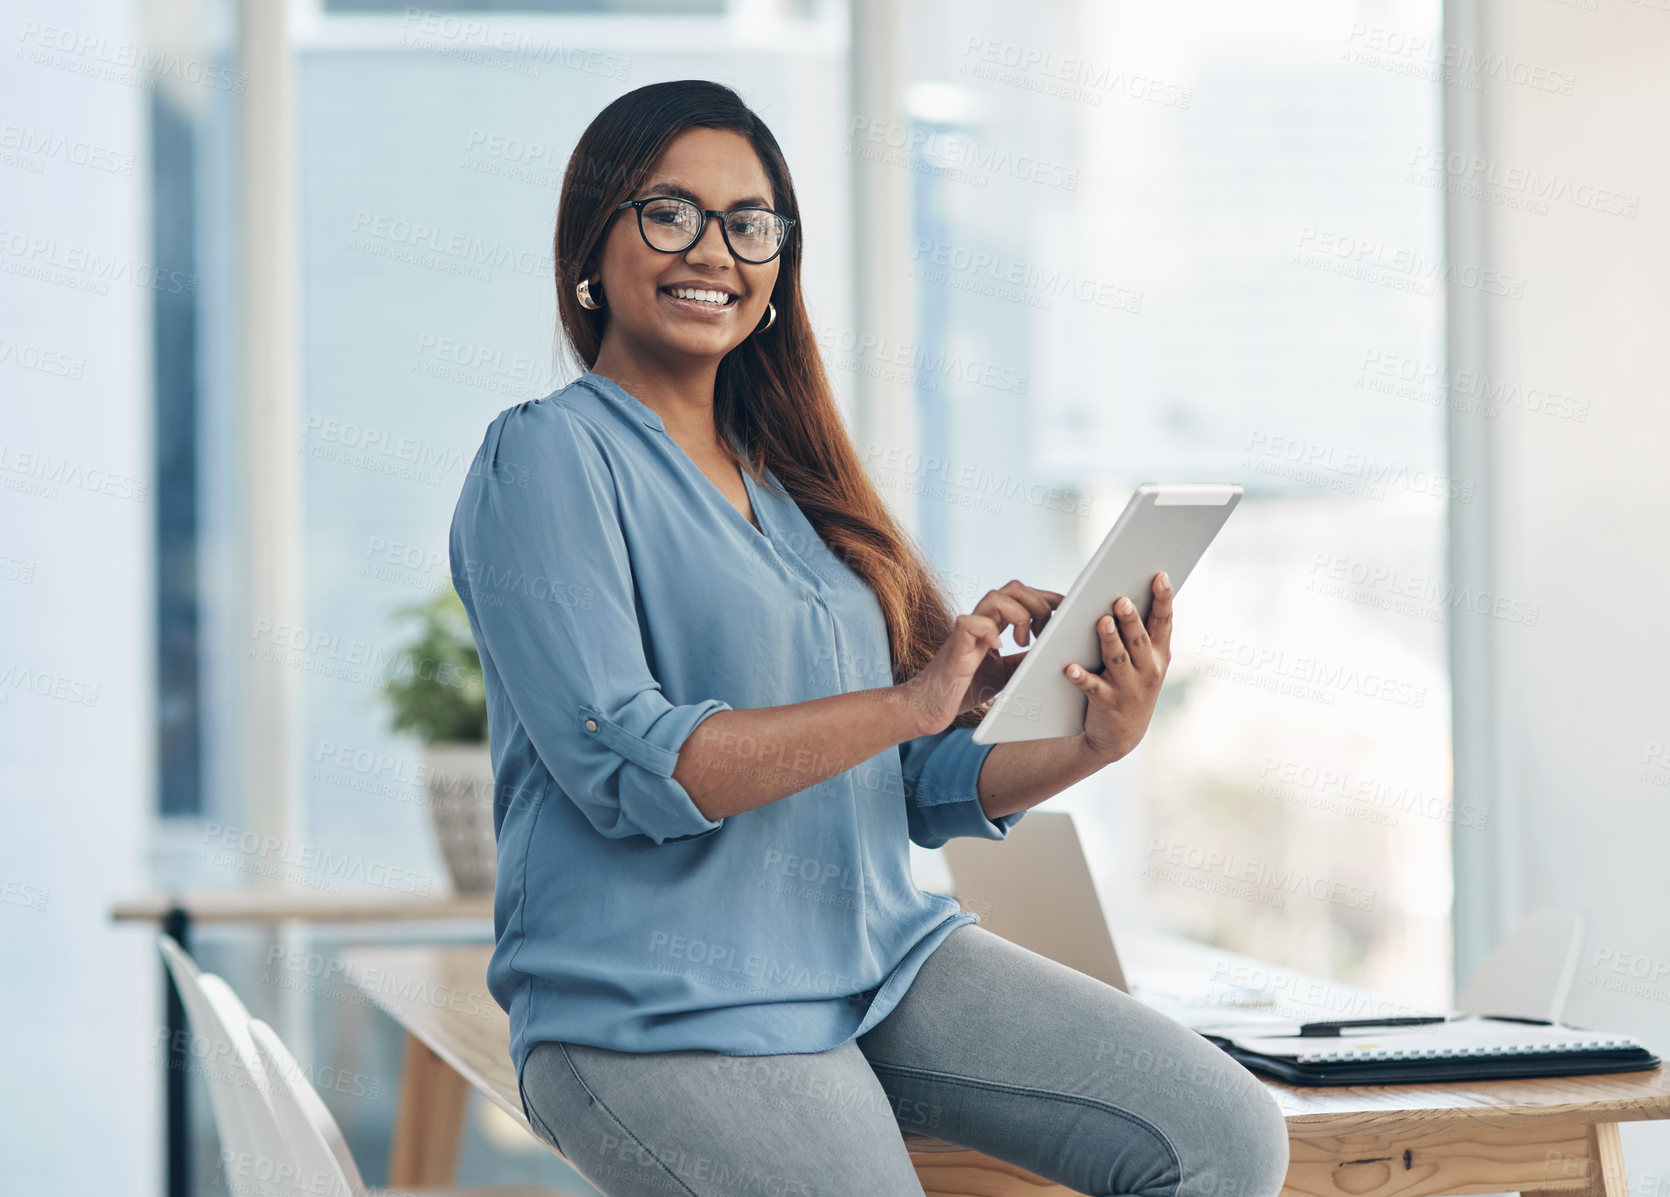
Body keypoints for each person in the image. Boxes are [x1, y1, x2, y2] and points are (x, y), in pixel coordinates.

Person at [448, 78, 1288, 1197]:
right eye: (668, 212)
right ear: (590, 246)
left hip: (878, 964)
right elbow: (626, 768)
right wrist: (910, 700)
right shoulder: (545, 459)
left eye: (749, 224)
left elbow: (899, 782)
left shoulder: (792, 482)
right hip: (651, 1002)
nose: (714, 250)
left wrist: (1088, 742)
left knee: (1222, 1134)